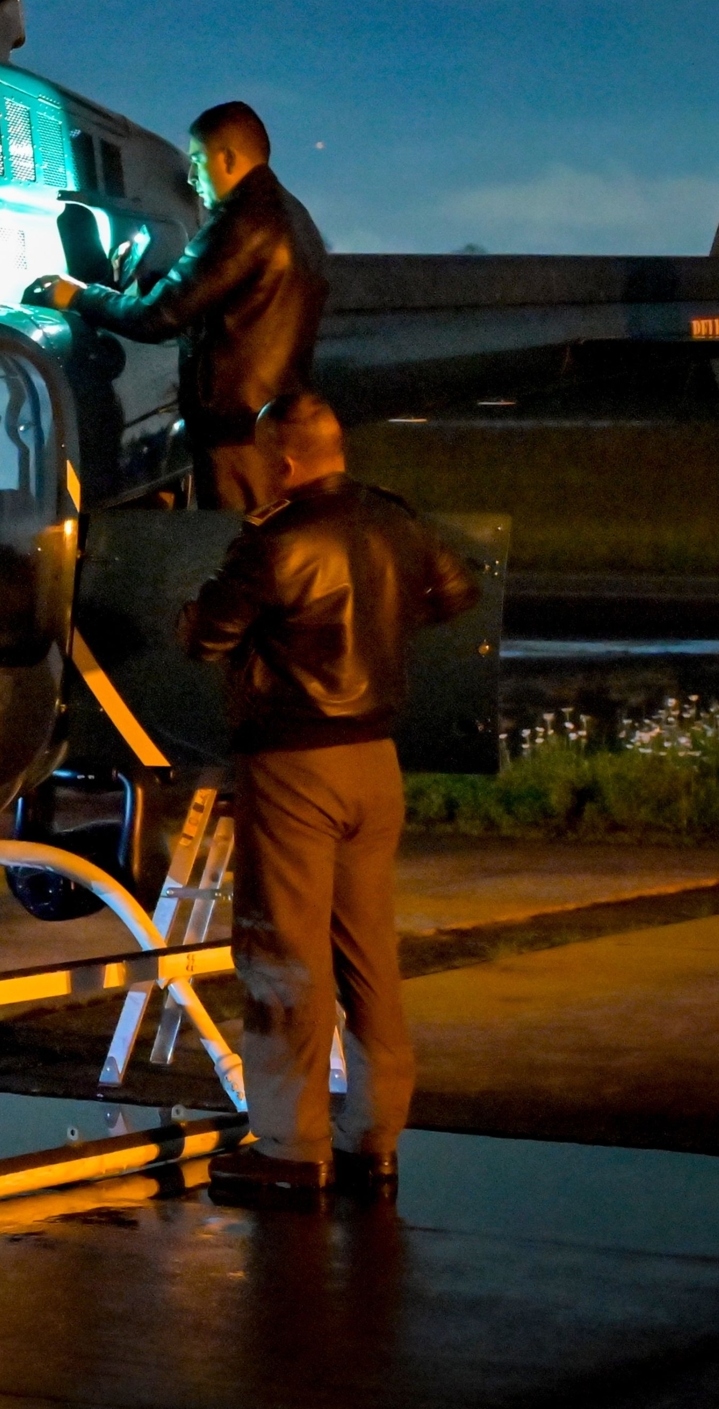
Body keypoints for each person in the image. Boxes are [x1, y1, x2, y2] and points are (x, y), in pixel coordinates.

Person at [176, 392, 479, 1203]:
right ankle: (373, 1139)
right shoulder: (393, 519)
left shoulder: (273, 541)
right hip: (375, 762)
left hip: (294, 766)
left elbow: (205, 636)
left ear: (281, 461)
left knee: (283, 958)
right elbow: (455, 592)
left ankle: (288, 1148)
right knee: (369, 960)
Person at [27, 101, 328, 510]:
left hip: (234, 434)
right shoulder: (296, 216)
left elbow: (158, 316)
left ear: (227, 158)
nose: (190, 177)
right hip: (269, 423)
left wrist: (75, 295)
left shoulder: (240, 221)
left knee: (230, 548)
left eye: (197, 160)